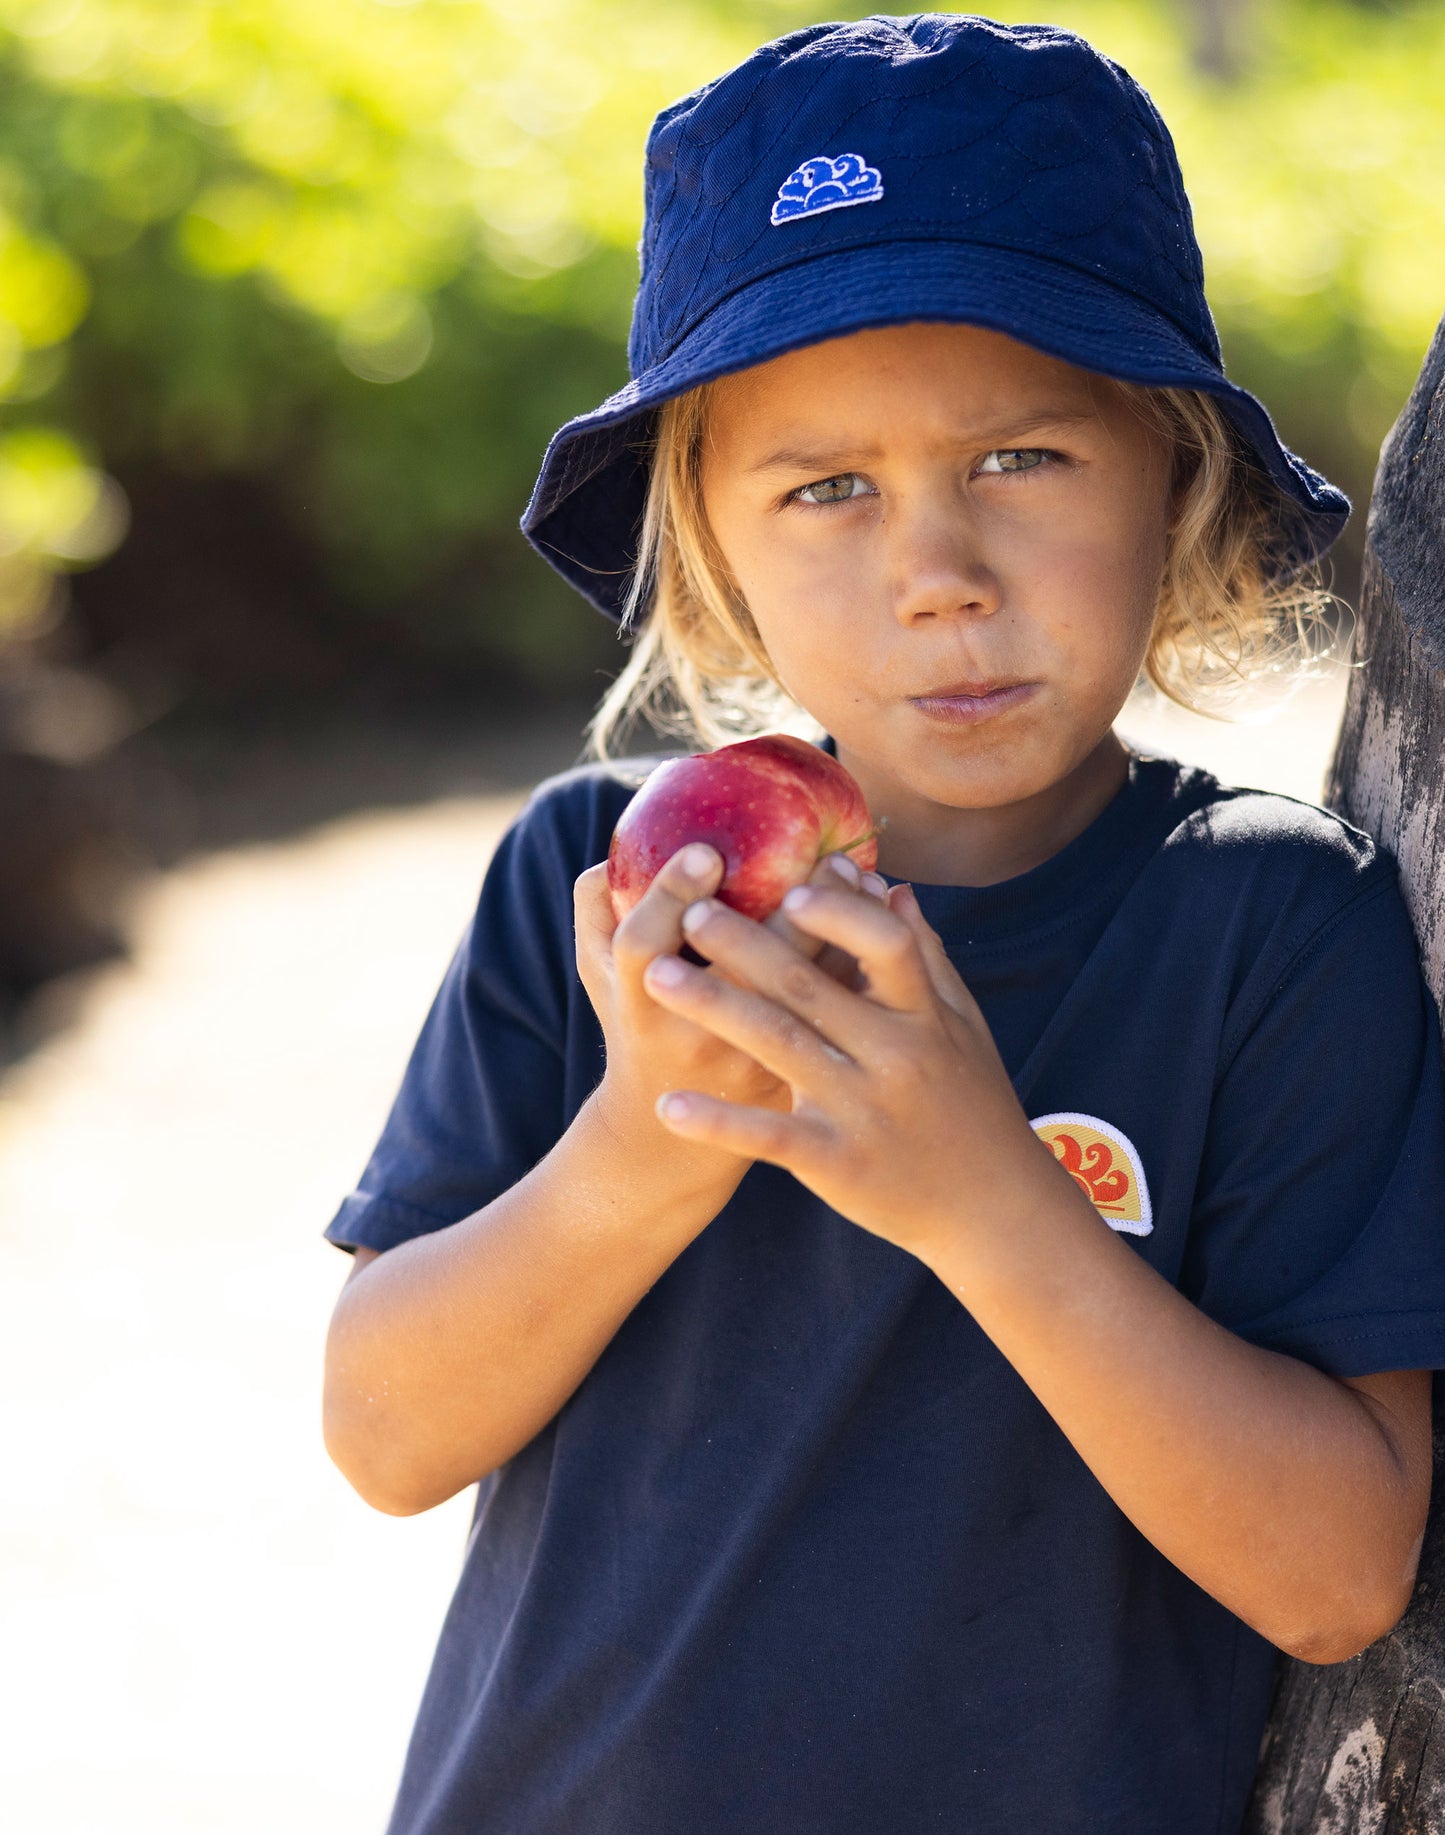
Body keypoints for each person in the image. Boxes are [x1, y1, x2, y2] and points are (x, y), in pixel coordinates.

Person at [321, 18, 1445, 1834]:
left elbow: (1333, 1575)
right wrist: (643, 1142)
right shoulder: (597, 892)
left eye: (1020, 458)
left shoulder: (1267, 920)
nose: (938, 573)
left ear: (1170, 475)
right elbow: (384, 1436)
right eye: (824, 488)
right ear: (708, 540)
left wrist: (979, 1192)